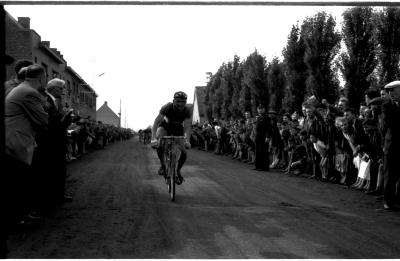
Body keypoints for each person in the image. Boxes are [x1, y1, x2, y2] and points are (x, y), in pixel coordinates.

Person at [5, 64, 48, 225]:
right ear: (41, 78)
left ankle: (19, 215)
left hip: (13, 137)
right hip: (18, 140)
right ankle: (18, 218)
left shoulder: (21, 89)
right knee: (19, 181)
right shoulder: (30, 93)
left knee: (18, 180)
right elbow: (43, 119)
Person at [151, 91, 192, 185]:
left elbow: (187, 127)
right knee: (159, 142)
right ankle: (163, 166)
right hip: (165, 126)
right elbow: (156, 122)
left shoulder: (186, 110)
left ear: (185, 102)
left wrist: (187, 140)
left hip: (178, 129)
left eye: (183, 102)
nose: (180, 104)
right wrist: (153, 138)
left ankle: (177, 171)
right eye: (178, 101)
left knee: (184, 152)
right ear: (173, 101)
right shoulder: (167, 107)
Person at [381, 81, 400, 210]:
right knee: (390, 174)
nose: (390, 93)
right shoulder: (387, 105)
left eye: (393, 90)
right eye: (388, 91)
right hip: (392, 144)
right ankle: (388, 200)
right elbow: (390, 124)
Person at [253, 104, 271, 171]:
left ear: (264, 109)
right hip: (258, 136)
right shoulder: (258, 117)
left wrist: (268, 137)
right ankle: (258, 166)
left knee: (263, 152)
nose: (260, 110)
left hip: (264, 136)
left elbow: (269, 128)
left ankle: (264, 167)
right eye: (259, 108)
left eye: (261, 108)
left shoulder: (267, 118)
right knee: (257, 151)